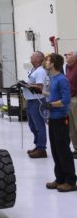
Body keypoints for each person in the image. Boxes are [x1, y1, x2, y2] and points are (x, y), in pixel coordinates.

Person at [44, 53, 77, 192]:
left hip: (61, 118)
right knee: (55, 150)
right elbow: (52, 95)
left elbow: (66, 100)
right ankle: (60, 178)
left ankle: (71, 181)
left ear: (53, 64)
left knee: (63, 150)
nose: (46, 62)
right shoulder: (52, 78)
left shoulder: (62, 80)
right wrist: (40, 93)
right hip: (53, 118)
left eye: (48, 60)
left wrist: (51, 105)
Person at [20, 51, 48, 158]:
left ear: (38, 59)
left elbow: (39, 87)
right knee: (32, 126)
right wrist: (24, 84)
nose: (30, 56)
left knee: (39, 126)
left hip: (37, 101)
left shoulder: (40, 71)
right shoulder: (33, 70)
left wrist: (26, 85)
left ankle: (42, 149)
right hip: (30, 101)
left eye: (33, 56)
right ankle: (37, 145)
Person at [65, 51, 77, 158]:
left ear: (75, 58)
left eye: (68, 54)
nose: (66, 56)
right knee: (71, 128)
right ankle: (76, 149)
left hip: (75, 100)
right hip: (69, 99)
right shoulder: (68, 68)